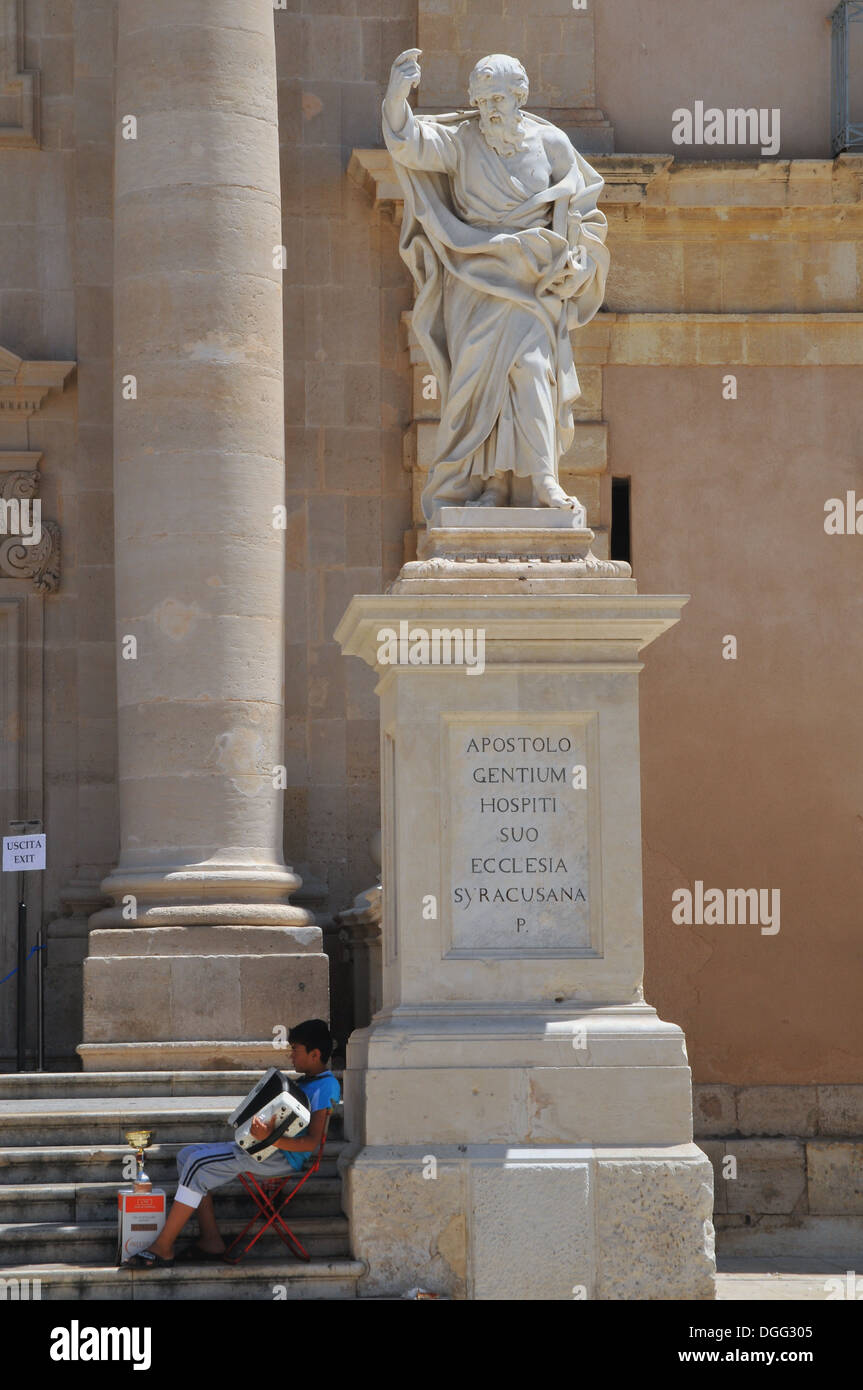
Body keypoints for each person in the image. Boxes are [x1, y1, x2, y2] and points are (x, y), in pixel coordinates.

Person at [382, 49, 610, 520]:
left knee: (529, 370)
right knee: (475, 383)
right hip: (474, 276)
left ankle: (543, 479)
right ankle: (490, 487)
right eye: (481, 100)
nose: (488, 109)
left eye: (498, 99)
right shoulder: (462, 141)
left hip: (531, 281)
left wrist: (579, 257)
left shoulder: (551, 143)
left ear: (520, 96)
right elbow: (408, 142)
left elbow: (585, 209)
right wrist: (396, 96)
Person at [121, 1019, 340, 1267]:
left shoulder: (327, 1086)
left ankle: (163, 1247)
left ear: (315, 1054)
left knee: (197, 1163)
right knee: (187, 1155)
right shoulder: (305, 1082)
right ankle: (211, 1241)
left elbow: (311, 1142)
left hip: (279, 1158)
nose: (291, 1056)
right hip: (264, 1148)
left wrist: (269, 1137)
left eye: (295, 1051)